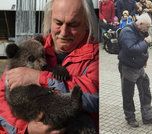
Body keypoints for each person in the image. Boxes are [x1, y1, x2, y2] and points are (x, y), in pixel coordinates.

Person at [0, 0, 99, 133]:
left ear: (87, 23)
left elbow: (94, 96)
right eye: (58, 23)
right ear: (50, 19)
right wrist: (26, 129)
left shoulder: (97, 56)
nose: (64, 32)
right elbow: (2, 101)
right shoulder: (32, 47)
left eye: (73, 24)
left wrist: (40, 78)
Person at [118, 13, 152, 128]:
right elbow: (131, 49)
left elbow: (142, 48)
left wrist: (145, 58)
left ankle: (147, 116)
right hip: (128, 68)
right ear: (140, 23)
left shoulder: (141, 31)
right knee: (128, 95)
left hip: (139, 67)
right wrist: (146, 42)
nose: (147, 29)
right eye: (147, 27)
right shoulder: (127, 32)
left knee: (145, 91)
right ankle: (130, 118)